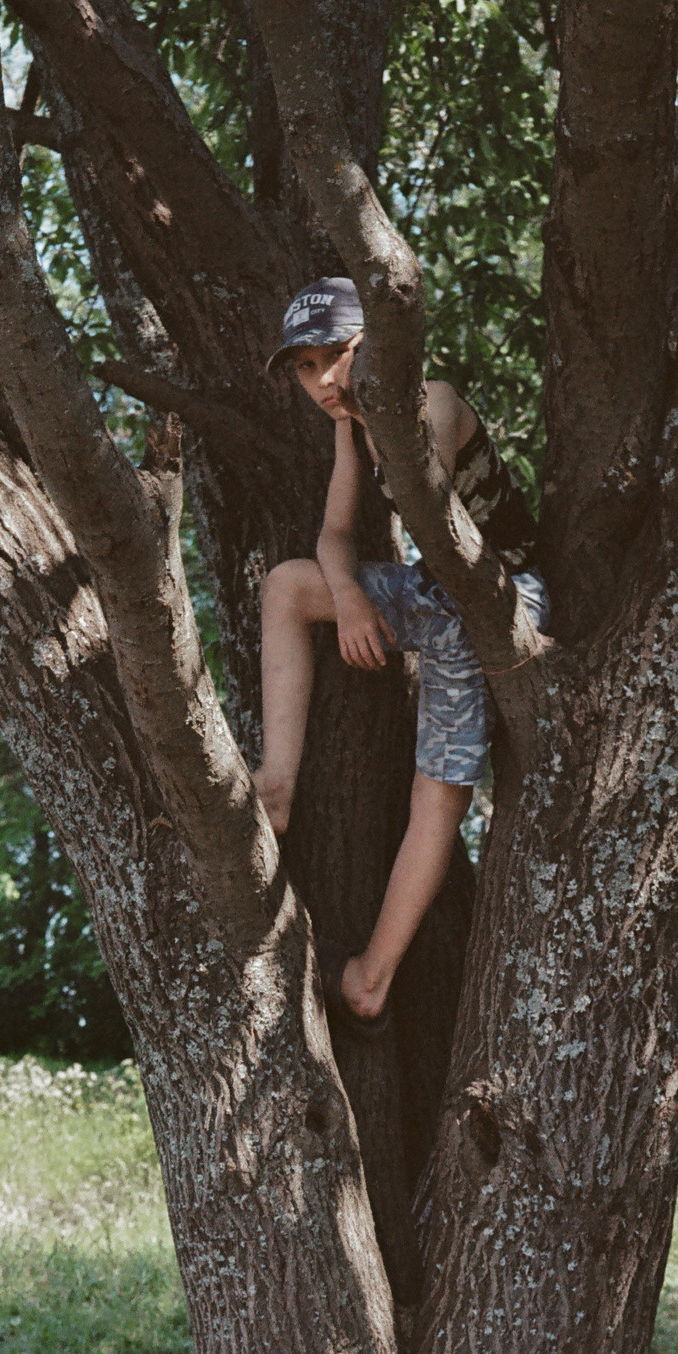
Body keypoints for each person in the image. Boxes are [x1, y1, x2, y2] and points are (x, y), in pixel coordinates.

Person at [253, 274, 549, 1030]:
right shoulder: (352, 423)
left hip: (501, 593)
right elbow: (334, 535)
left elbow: (452, 543)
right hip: (437, 588)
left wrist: (394, 604)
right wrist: (350, 598)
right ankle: (278, 785)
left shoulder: (433, 405)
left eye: (337, 356)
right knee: (288, 588)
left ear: (380, 344)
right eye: (305, 366)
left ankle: (372, 977)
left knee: (439, 790)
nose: (323, 380)